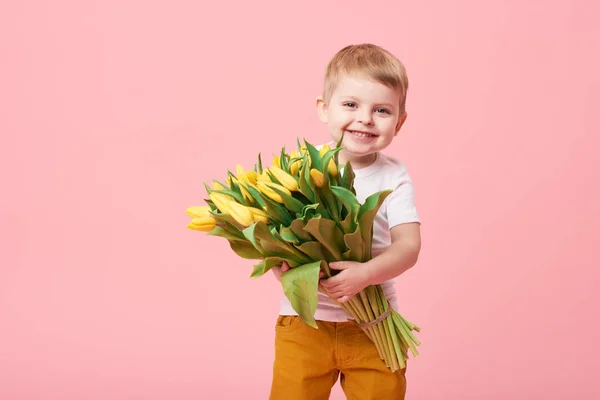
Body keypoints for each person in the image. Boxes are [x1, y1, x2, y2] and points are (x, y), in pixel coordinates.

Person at [269, 43, 422, 400]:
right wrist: (288, 272)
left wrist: (366, 274)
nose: (365, 118)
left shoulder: (394, 176)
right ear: (324, 109)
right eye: (350, 104)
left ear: (399, 122)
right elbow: (276, 241)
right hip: (304, 322)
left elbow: (408, 246)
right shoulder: (300, 168)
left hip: (373, 326)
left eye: (381, 110)